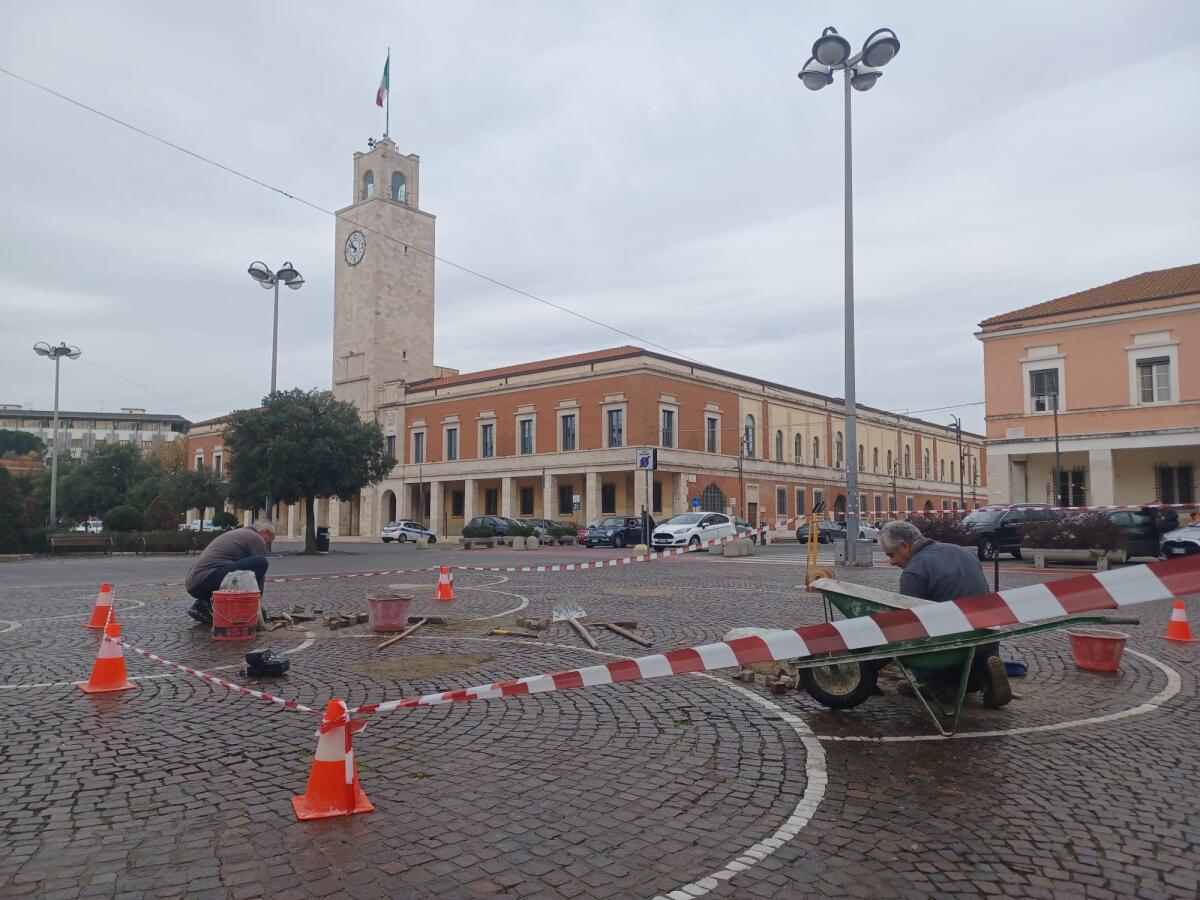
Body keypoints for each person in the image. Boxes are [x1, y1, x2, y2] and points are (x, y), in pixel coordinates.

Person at [878, 520, 1012, 708]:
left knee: (910, 639)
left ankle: (939, 686)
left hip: (951, 648)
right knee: (971, 649)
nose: (891, 562)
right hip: (986, 638)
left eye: (891, 555)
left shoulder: (914, 571)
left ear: (904, 546)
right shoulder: (963, 553)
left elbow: (908, 623)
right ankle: (982, 678)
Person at [185, 520, 276, 624]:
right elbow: (259, 576)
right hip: (207, 580)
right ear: (265, 532)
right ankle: (208, 604)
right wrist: (257, 606)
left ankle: (205, 604)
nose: (266, 544)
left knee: (245, 570)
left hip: (195, 584)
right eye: (268, 541)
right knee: (261, 562)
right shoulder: (255, 538)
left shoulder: (240, 533)